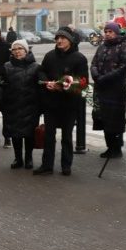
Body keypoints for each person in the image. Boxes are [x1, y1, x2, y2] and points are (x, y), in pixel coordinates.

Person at [34, 26, 89, 176]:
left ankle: (66, 165)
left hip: (69, 104)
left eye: (62, 38)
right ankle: (47, 165)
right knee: (49, 136)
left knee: (66, 137)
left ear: (70, 41)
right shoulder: (50, 55)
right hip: (51, 103)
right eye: (57, 38)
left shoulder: (79, 58)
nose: (59, 40)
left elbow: (83, 82)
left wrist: (63, 86)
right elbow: (41, 71)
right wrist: (47, 82)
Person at [90, 21, 126, 159]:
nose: (107, 34)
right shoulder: (101, 47)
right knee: (104, 118)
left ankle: (116, 148)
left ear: (116, 32)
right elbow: (94, 63)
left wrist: (105, 78)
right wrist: (95, 75)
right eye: (106, 31)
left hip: (115, 90)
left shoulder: (123, 46)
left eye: (110, 31)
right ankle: (109, 147)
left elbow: (123, 67)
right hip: (101, 88)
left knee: (115, 120)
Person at [0, 39, 40, 169]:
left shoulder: (36, 67)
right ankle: (18, 159)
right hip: (12, 105)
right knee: (15, 134)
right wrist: (0, 102)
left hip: (31, 106)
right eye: (14, 49)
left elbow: (40, 88)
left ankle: (29, 158)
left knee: (29, 134)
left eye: (20, 49)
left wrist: (41, 106)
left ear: (26, 50)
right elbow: (0, 86)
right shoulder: (6, 66)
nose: (17, 52)